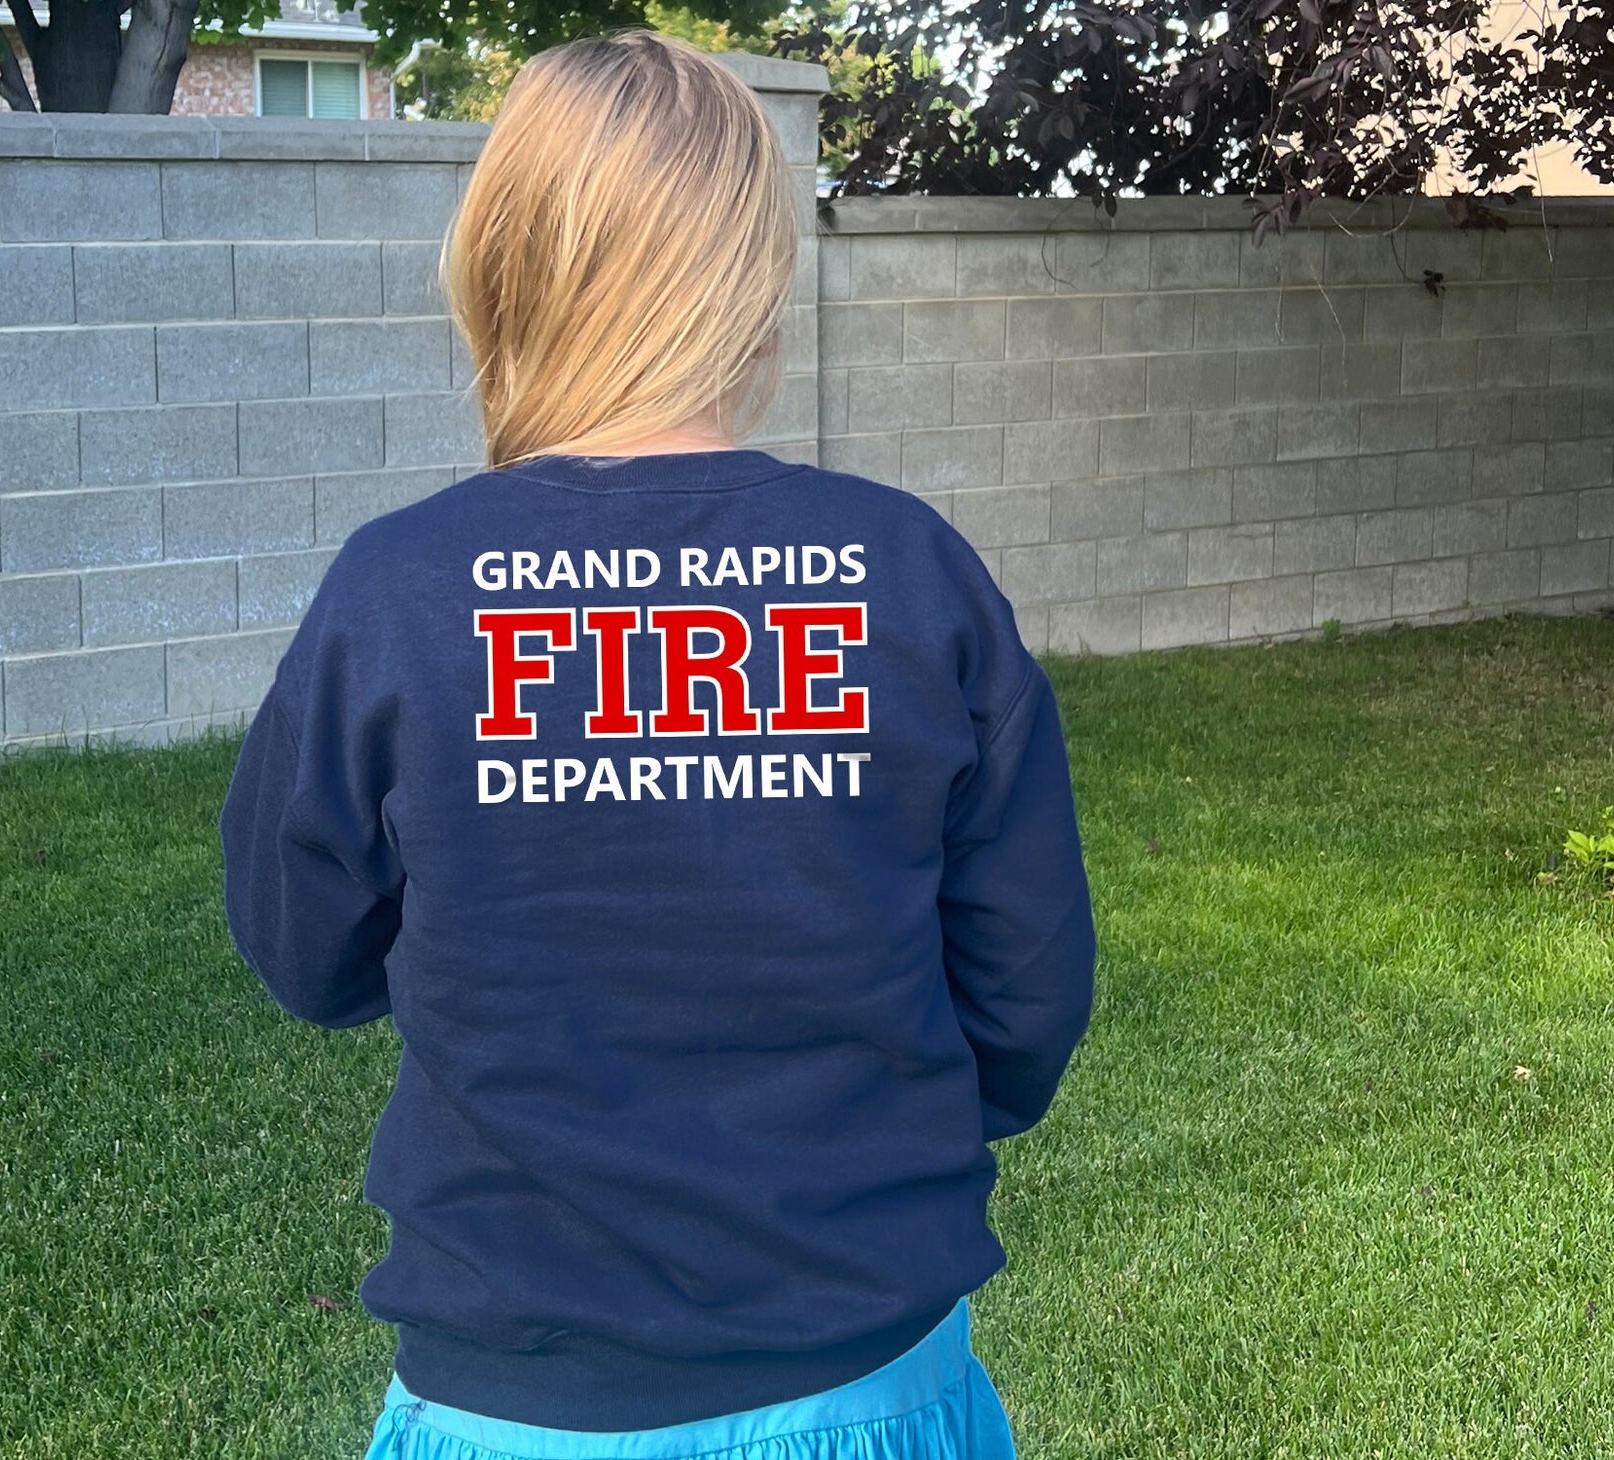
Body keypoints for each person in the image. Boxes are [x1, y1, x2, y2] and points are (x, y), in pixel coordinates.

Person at [217, 26, 1097, 1460]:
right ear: (749, 269)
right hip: (860, 1374)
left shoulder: (402, 590)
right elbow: (1024, 999)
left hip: (513, 1396)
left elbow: (303, 949)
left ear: (501, 258)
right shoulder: (909, 571)